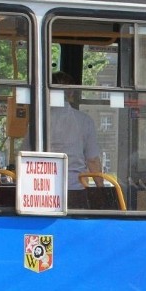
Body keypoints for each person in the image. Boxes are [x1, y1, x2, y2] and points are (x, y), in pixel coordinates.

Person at [49, 71, 102, 208]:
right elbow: (92, 160)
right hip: (75, 189)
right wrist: (101, 188)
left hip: (43, 191)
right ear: (71, 93)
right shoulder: (84, 121)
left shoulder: (37, 120)